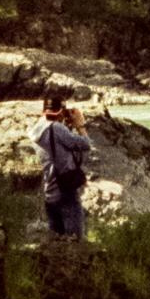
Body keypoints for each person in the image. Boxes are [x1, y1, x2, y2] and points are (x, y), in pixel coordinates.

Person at [33, 94, 92, 239]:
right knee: (74, 238)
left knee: (56, 238)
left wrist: (66, 126)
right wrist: (80, 125)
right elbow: (86, 144)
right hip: (65, 190)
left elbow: (57, 146)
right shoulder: (58, 129)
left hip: (49, 190)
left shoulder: (37, 129)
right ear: (60, 112)